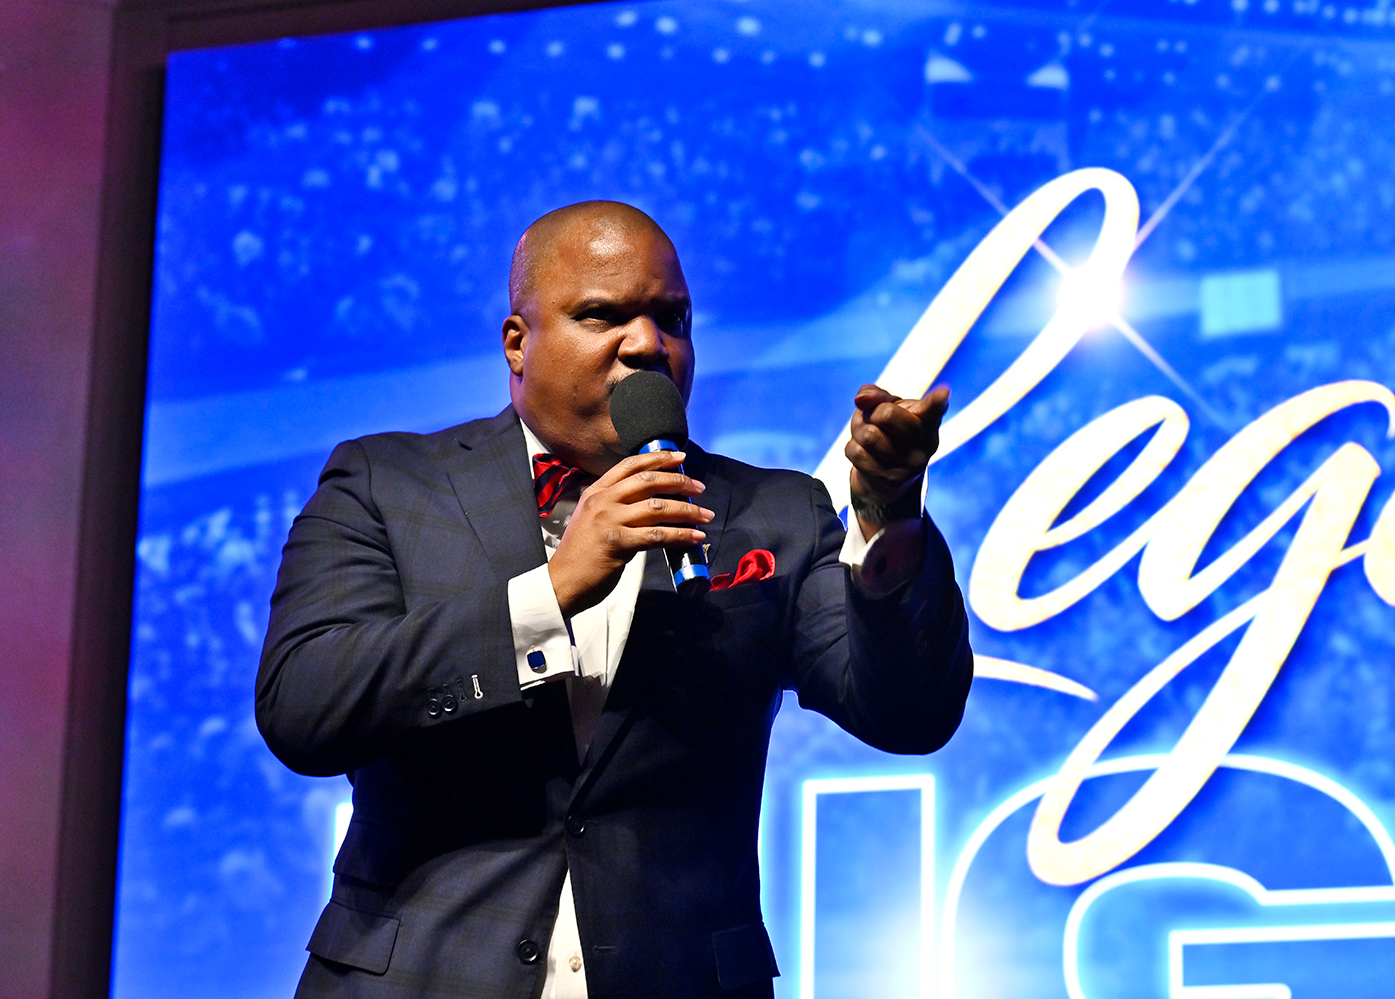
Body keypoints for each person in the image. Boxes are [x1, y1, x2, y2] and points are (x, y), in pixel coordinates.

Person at [255, 200, 973, 998]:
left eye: (672, 318)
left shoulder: (777, 513)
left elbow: (911, 713)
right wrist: (550, 592)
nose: (647, 344)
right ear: (518, 343)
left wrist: (888, 517)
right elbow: (304, 707)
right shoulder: (386, 485)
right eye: (603, 315)